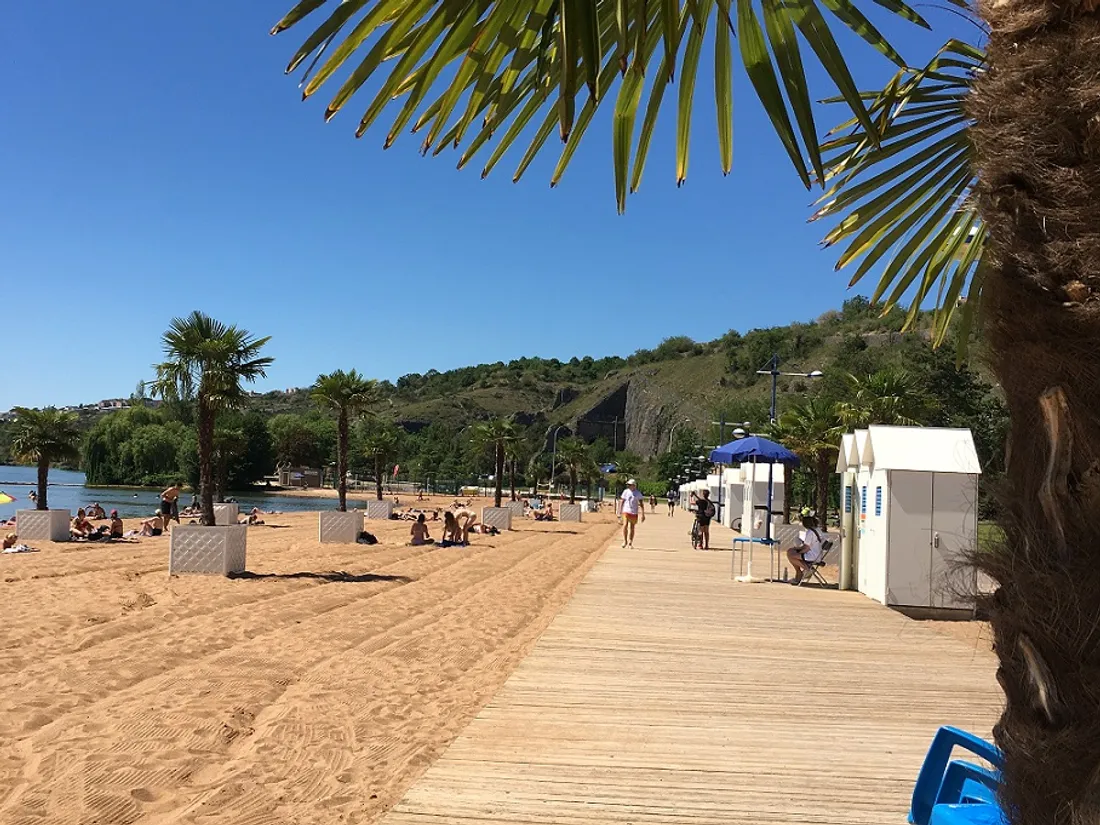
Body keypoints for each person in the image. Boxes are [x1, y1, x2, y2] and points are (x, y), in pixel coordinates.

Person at [786, 515, 825, 585]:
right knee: (791, 552)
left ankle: (806, 569)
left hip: (812, 555)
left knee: (790, 555)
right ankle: (799, 573)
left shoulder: (810, 532)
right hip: (818, 555)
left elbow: (806, 548)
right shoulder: (818, 530)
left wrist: (798, 552)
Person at [617, 479, 645, 548]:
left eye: (630, 485)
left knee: (632, 527)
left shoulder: (638, 493)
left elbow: (641, 504)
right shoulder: (626, 492)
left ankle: (630, 542)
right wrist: (619, 512)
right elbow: (622, 501)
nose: (629, 486)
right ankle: (625, 541)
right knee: (625, 525)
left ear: (634, 485)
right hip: (626, 511)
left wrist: (643, 514)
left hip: (634, 512)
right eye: (628, 485)